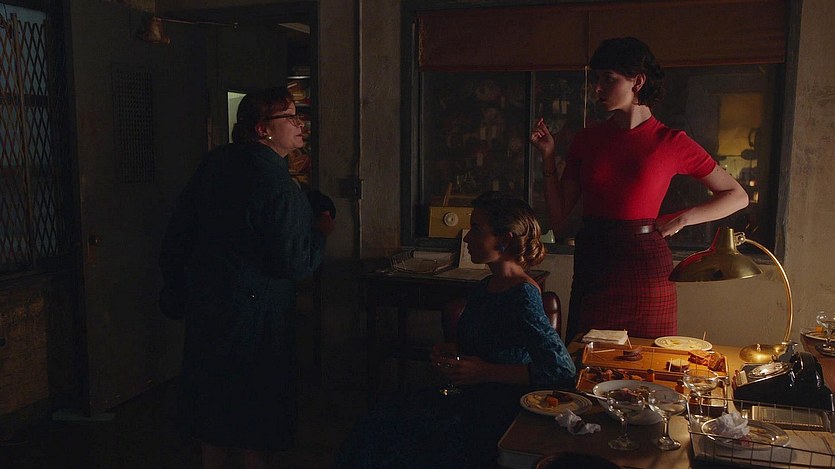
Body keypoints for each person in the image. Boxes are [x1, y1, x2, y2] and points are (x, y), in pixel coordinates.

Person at [158, 86, 334, 469]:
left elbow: (178, 233)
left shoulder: (216, 164)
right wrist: (321, 230)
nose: (300, 124)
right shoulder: (277, 185)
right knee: (256, 413)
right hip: (258, 317)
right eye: (290, 116)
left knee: (214, 409)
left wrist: (180, 283)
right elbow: (296, 263)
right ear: (262, 129)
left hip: (209, 307)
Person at [332, 195, 576, 469]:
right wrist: (453, 351)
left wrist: (484, 371)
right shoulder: (487, 285)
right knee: (380, 416)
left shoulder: (523, 294)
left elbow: (561, 371)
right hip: (469, 398)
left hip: (495, 409)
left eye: (476, 229)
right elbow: (488, 343)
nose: (466, 238)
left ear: (504, 239)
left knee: (390, 431)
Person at [530, 37, 748, 341]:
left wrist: (683, 218)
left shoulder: (671, 141)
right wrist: (548, 157)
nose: (597, 88)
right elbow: (558, 218)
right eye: (597, 79)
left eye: (608, 78)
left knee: (648, 360)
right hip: (594, 263)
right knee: (586, 358)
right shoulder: (587, 140)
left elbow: (737, 196)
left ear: (638, 81)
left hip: (646, 269)